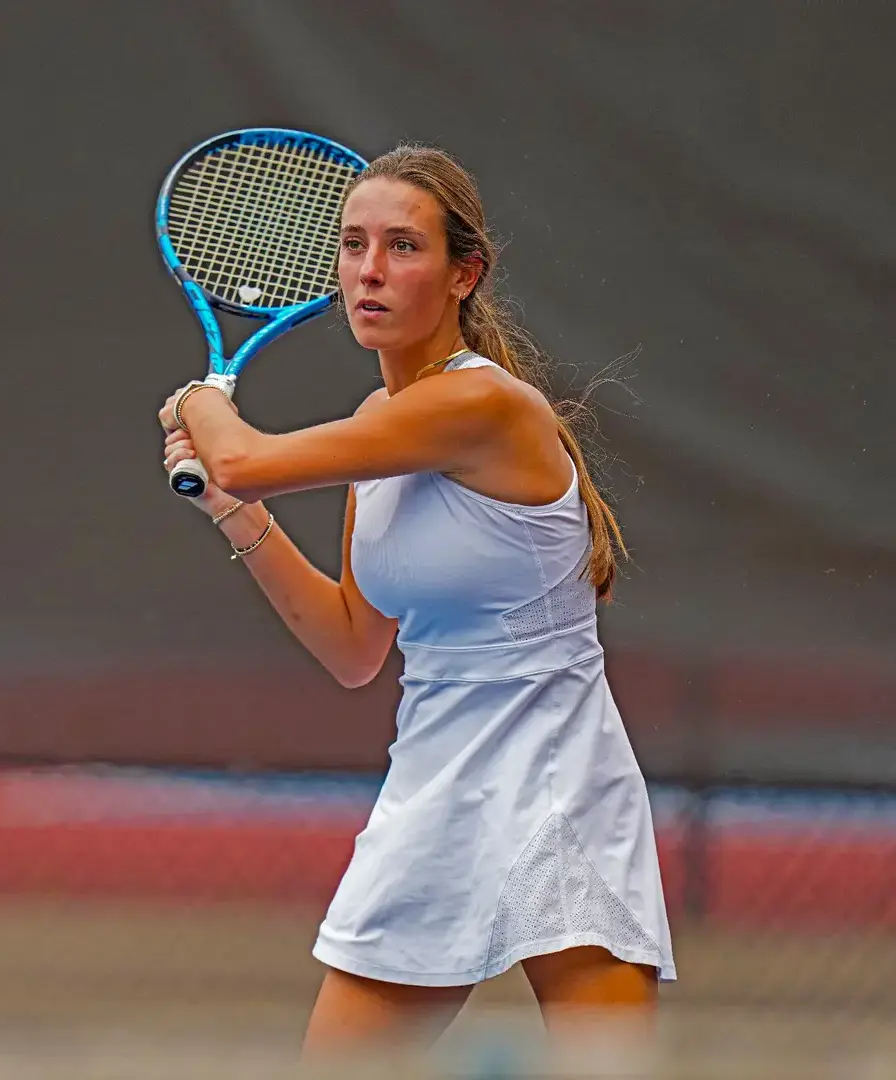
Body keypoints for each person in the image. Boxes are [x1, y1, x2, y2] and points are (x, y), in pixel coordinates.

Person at [158, 144, 675, 1058]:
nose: (369, 270)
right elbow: (355, 645)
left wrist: (206, 408)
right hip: (436, 791)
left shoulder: (488, 407)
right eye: (354, 245)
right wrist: (234, 511)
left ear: (462, 273)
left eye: (403, 246)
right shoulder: (378, 436)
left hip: (561, 791)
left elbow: (239, 451)